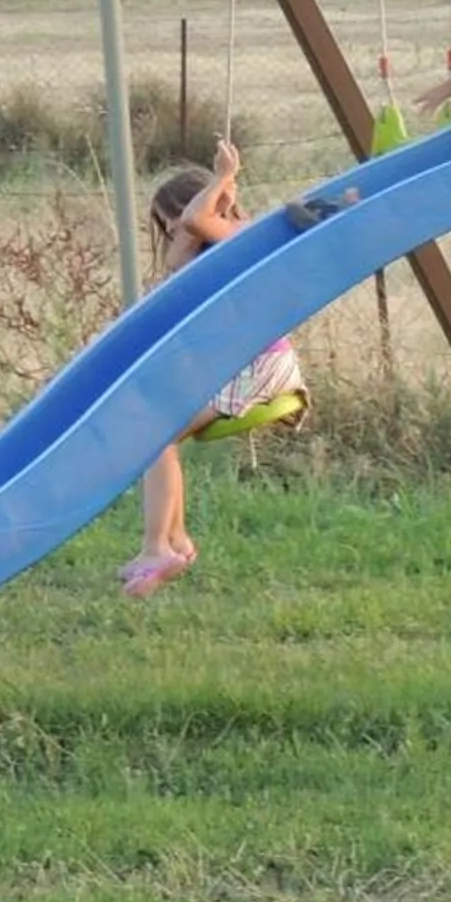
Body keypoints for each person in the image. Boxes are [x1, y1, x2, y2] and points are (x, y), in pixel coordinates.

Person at [121, 139, 305, 598]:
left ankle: (158, 547)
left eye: (173, 220)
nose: (174, 233)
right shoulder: (190, 256)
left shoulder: (241, 236)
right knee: (156, 434)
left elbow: (196, 221)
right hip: (241, 367)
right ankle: (173, 539)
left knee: (156, 436)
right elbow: (185, 238)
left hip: (262, 367)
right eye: (165, 227)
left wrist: (223, 177)